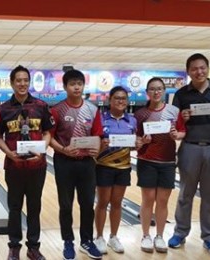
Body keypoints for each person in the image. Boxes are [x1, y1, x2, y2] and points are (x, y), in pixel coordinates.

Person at [0, 65, 54, 260]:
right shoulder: (3, 109)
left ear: (29, 82)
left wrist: (42, 148)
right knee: (14, 208)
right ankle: (14, 247)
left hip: (37, 166)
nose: (22, 84)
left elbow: (48, 132)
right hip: (13, 166)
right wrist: (8, 153)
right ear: (12, 83)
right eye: (18, 80)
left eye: (25, 80)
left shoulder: (40, 105)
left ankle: (33, 247)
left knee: (34, 207)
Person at [50, 69, 103, 260]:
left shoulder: (93, 109)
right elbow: (50, 138)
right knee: (66, 205)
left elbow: (97, 135)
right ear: (65, 87)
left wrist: (96, 148)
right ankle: (67, 241)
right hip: (64, 162)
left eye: (79, 83)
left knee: (87, 204)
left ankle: (87, 241)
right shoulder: (57, 110)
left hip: (87, 163)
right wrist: (63, 150)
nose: (76, 87)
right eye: (72, 84)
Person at [134, 77, 185, 253]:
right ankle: (146, 235)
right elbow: (136, 140)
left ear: (164, 91)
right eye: (152, 89)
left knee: (163, 201)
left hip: (168, 162)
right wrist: (142, 141)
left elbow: (182, 132)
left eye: (159, 89)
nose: (156, 92)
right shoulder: (140, 114)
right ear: (147, 92)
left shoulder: (174, 111)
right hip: (146, 161)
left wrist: (176, 135)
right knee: (148, 200)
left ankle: (160, 236)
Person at [168, 53, 210, 252]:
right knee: (186, 193)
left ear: (207, 68)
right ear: (188, 72)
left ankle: (208, 235)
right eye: (194, 69)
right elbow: (173, 125)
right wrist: (181, 118)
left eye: (202, 67)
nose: (199, 72)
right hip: (190, 147)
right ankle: (180, 232)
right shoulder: (181, 94)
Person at [93, 86, 137, 255]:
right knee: (103, 203)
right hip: (104, 166)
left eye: (123, 98)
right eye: (117, 98)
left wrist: (138, 143)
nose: (120, 101)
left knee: (117, 203)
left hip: (124, 167)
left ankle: (113, 236)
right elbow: (94, 144)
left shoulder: (132, 121)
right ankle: (99, 237)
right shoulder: (101, 119)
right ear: (109, 100)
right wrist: (100, 145)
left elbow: (133, 145)